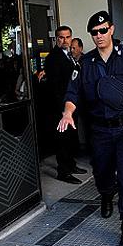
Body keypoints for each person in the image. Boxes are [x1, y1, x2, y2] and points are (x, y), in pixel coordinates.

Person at [57, 11, 123, 246]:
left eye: (103, 30)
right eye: (94, 33)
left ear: (112, 29)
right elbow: (72, 93)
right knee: (103, 173)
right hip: (100, 131)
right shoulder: (85, 63)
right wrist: (67, 112)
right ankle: (106, 194)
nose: (99, 36)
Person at [44, 25, 87, 184]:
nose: (65, 40)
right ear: (56, 39)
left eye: (67, 37)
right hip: (61, 107)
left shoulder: (68, 55)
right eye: (61, 37)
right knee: (62, 139)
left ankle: (71, 164)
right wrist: (63, 109)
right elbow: (55, 86)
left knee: (70, 138)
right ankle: (64, 171)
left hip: (71, 104)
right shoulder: (53, 58)